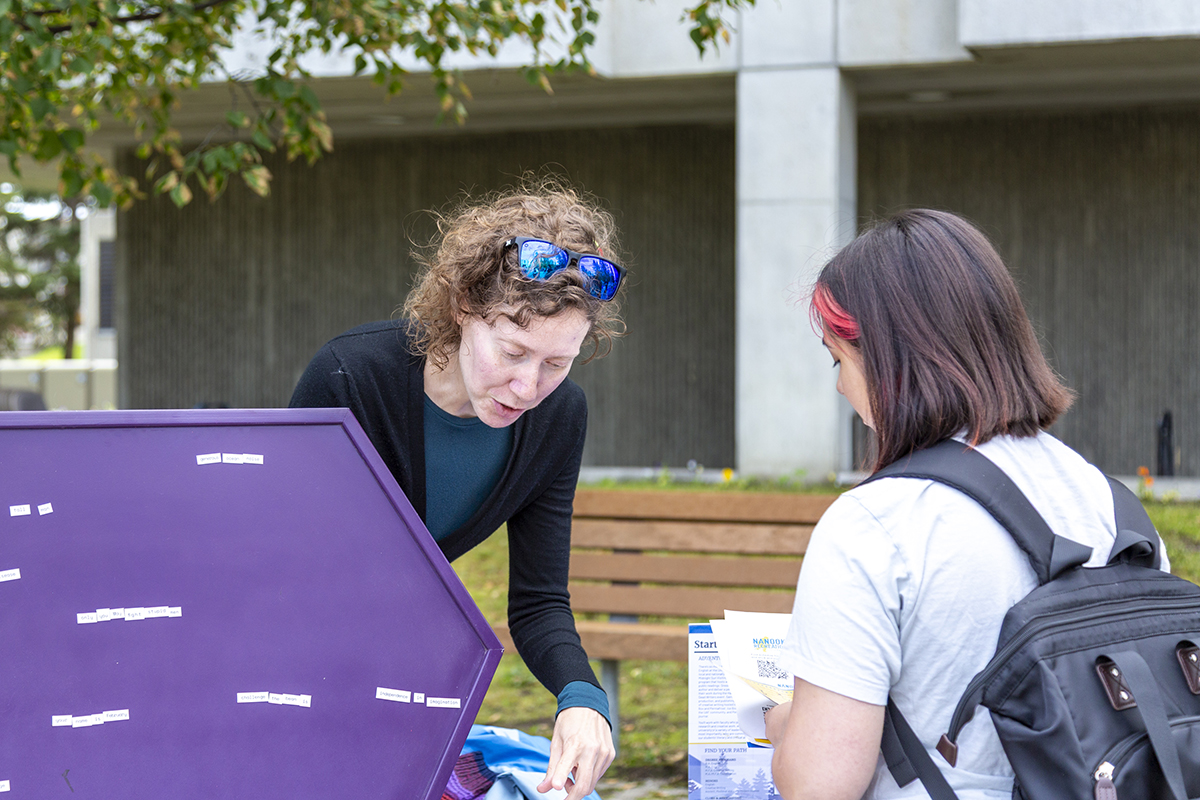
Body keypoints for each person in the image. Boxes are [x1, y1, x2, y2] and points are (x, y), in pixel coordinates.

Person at [764, 209, 1169, 800]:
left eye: (838, 359)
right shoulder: (1110, 503)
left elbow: (820, 785)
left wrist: (785, 726)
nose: (839, 387)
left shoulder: (873, 524)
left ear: (888, 360)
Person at [289, 182, 626, 800]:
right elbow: (286, 575)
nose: (528, 387)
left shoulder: (559, 419)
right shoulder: (351, 378)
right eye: (513, 352)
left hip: (391, 687)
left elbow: (538, 602)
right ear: (463, 308)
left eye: (557, 364)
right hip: (292, 674)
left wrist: (582, 699)